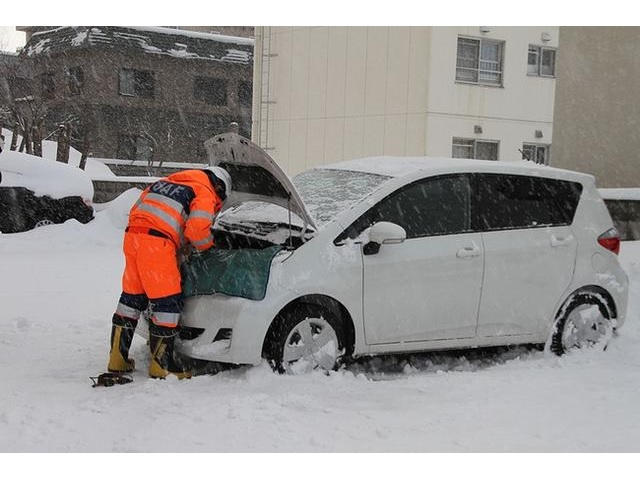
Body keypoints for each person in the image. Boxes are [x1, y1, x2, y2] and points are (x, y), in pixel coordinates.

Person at [107, 166, 232, 379]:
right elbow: (196, 229)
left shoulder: (162, 184)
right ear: (219, 186)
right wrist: (208, 250)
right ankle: (161, 365)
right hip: (157, 244)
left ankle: (117, 360)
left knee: (131, 299)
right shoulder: (204, 191)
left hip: (133, 238)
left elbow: (138, 210)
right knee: (167, 303)